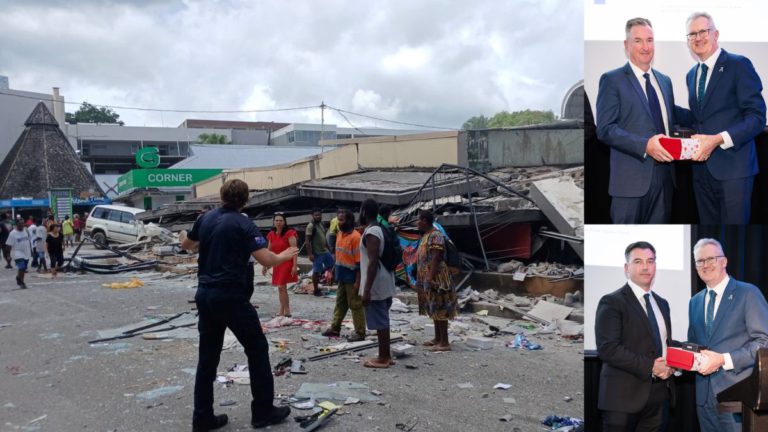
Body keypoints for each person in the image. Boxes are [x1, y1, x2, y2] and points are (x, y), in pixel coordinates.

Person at [180, 179, 298, 431]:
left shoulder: (206, 219)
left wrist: (186, 236)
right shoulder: (244, 223)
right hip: (231, 296)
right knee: (256, 348)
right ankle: (263, 411)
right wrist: (284, 256)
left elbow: (187, 245)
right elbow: (264, 257)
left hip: (205, 295)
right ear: (245, 200)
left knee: (207, 357)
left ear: (222, 195)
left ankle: (202, 417)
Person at [596, 18, 687, 223]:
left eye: (650, 40)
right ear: (627, 45)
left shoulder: (665, 81)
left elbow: (671, 116)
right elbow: (605, 129)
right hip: (630, 184)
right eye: (638, 41)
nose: (646, 47)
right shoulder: (612, 80)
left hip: (665, 180)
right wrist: (645, 145)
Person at [682, 12, 766, 224]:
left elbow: (757, 117)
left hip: (734, 171)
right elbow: (699, 118)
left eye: (703, 31)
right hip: (701, 172)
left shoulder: (738, 65)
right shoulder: (692, 74)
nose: (698, 38)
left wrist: (719, 139)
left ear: (716, 34)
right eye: (692, 34)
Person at [687, 238, 768, 431]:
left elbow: (764, 342)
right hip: (704, 398)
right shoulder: (695, 301)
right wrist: (678, 361)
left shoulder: (748, 293)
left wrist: (724, 359)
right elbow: (694, 344)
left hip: (737, 395)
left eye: (711, 259)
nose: (705, 265)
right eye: (700, 261)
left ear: (724, 261)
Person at [595, 241, 674, 431]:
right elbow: (608, 349)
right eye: (638, 261)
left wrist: (678, 361)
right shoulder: (612, 301)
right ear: (626, 268)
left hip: (658, 396)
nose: (645, 267)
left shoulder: (662, 303)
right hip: (622, 399)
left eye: (650, 261)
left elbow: (663, 344)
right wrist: (651, 366)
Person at [358, 198, 396, 368]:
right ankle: (385, 355)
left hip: (376, 282)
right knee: (383, 320)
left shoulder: (372, 232)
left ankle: (383, 357)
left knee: (381, 321)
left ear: (364, 212)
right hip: (385, 278)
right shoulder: (379, 228)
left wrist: (366, 290)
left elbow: (372, 261)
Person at [415, 210, 457, 351]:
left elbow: (436, 257)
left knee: (440, 307)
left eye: (418, 220)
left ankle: (444, 342)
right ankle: (437, 337)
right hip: (428, 277)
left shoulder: (436, 235)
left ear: (425, 221)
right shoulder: (426, 235)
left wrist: (430, 276)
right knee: (433, 307)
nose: (416, 223)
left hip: (437, 277)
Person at [322, 209, 366, 342]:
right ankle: (335, 328)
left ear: (349, 221)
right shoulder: (340, 234)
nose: (339, 223)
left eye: (341, 220)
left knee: (355, 305)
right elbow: (339, 255)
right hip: (342, 276)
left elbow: (359, 263)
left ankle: (360, 332)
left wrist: (358, 281)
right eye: (338, 220)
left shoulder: (355, 237)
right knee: (340, 304)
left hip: (352, 278)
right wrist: (333, 271)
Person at [263, 212, 298, 317]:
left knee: (281, 287)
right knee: (281, 288)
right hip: (277, 263)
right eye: (276, 220)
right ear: (273, 222)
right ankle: (283, 311)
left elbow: (294, 250)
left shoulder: (290, 233)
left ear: (284, 222)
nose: (278, 222)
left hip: (287, 262)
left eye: (280, 220)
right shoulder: (271, 235)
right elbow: (268, 250)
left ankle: (286, 311)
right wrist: (265, 264)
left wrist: (294, 266)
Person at [305, 208, 334, 296]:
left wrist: (329, 248)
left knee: (332, 264)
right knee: (316, 272)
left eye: (319, 215)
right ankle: (316, 290)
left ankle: (327, 279)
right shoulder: (311, 226)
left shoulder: (321, 224)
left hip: (325, 250)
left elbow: (324, 237)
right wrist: (310, 254)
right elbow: (307, 241)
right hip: (317, 253)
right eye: (316, 215)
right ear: (312, 216)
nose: (318, 216)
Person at [5, 220, 33, 289]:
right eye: (20, 224)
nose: (22, 225)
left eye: (23, 224)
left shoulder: (26, 231)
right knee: (22, 267)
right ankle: (21, 282)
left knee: (23, 269)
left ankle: (20, 279)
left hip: (26, 252)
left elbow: (28, 241)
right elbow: (8, 245)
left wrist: (31, 250)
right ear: (16, 224)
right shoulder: (12, 233)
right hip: (17, 253)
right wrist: (8, 255)